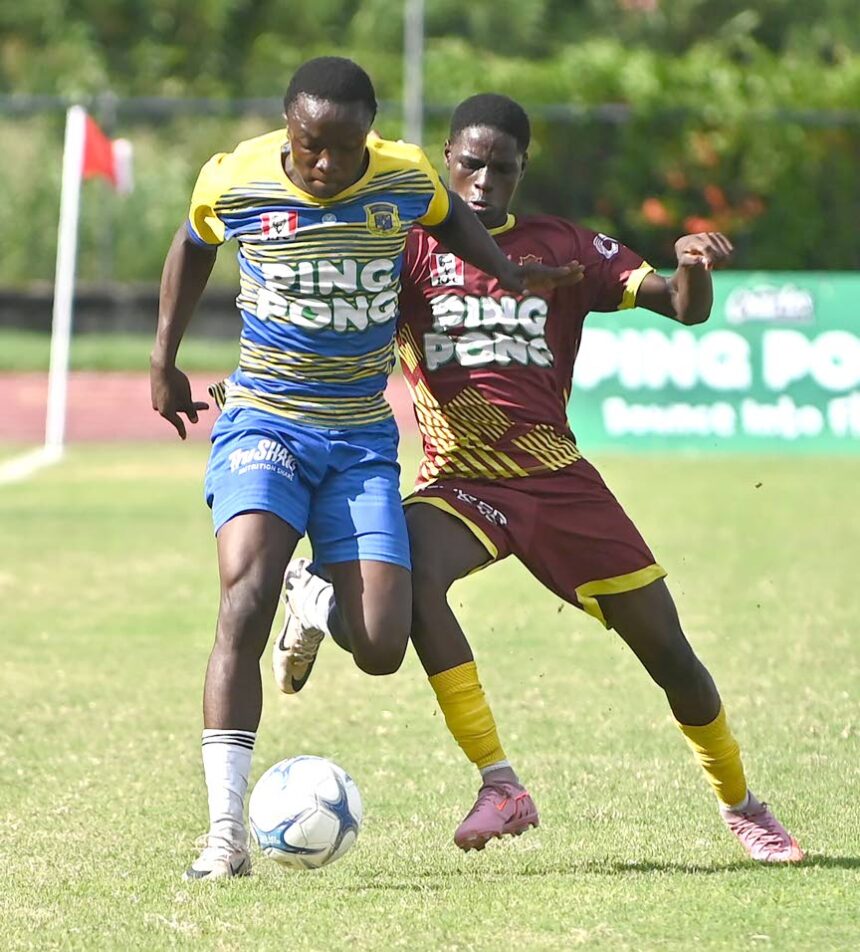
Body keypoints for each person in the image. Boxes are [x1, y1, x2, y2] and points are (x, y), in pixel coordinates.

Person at [272, 93, 804, 864]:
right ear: (446, 160)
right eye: (470, 164)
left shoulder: (568, 246)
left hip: (560, 484)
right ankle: (499, 784)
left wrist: (691, 267)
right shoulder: (408, 248)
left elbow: (683, 310)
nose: (484, 181)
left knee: (671, 657)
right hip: (460, 482)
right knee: (405, 590)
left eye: (503, 168)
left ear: (523, 169)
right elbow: (334, 320)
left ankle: (742, 804)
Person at [151, 61, 575, 881]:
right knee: (244, 596)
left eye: (345, 149)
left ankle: (314, 597)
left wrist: (505, 272)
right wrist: (163, 359)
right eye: (312, 146)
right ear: (288, 126)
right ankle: (225, 836)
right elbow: (191, 243)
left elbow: (455, 221)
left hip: (359, 437)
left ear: (368, 136)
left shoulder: (405, 177)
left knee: (381, 644)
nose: (327, 164)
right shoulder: (234, 177)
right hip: (266, 419)